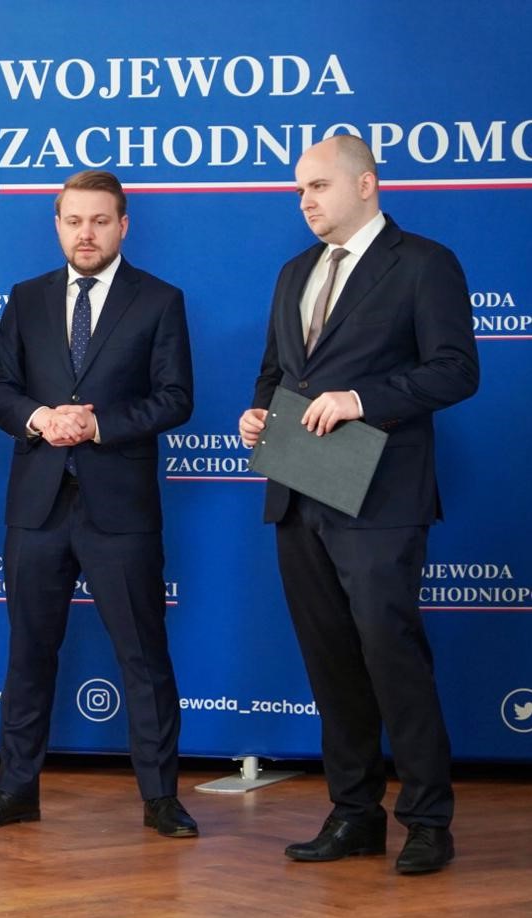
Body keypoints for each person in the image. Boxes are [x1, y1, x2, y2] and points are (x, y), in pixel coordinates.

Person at [238, 135, 478, 875]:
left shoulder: (425, 263)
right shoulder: (295, 271)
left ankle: (428, 821)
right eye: (298, 190)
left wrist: (361, 400)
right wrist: (258, 414)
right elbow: (278, 371)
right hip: (297, 489)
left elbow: (456, 370)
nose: (305, 201)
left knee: (390, 656)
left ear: (366, 184)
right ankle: (354, 815)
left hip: (381, 497)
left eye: (318, 186)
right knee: (331, 663)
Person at [0, 169, 197, 838]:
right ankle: (15, 789)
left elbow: (176, 398)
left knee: (143, 656)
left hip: (120, 507)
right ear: (58, 226)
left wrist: (97, 425)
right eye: (73, 221)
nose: (85, 233)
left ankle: (160, 798)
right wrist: (40, 418)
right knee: (28, 653)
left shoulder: (160, 300)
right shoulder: (26, 298)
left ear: (124, 225)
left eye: (99, 221)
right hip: (37, 507)